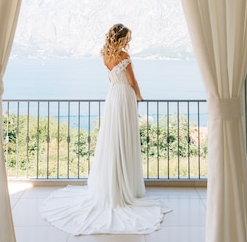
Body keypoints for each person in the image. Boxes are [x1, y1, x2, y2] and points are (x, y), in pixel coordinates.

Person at [39, 23, 171, 235]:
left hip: (112, 98)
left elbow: (114, 78)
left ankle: (112, 185)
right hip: (125, 98)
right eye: (128, 37)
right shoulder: (124, 55)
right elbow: (133, 81)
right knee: (124, 138)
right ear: (121, 38)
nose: (130, 41)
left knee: (113, 139)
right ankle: (125, 186)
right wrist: (139, 97)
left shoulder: (105, 56)